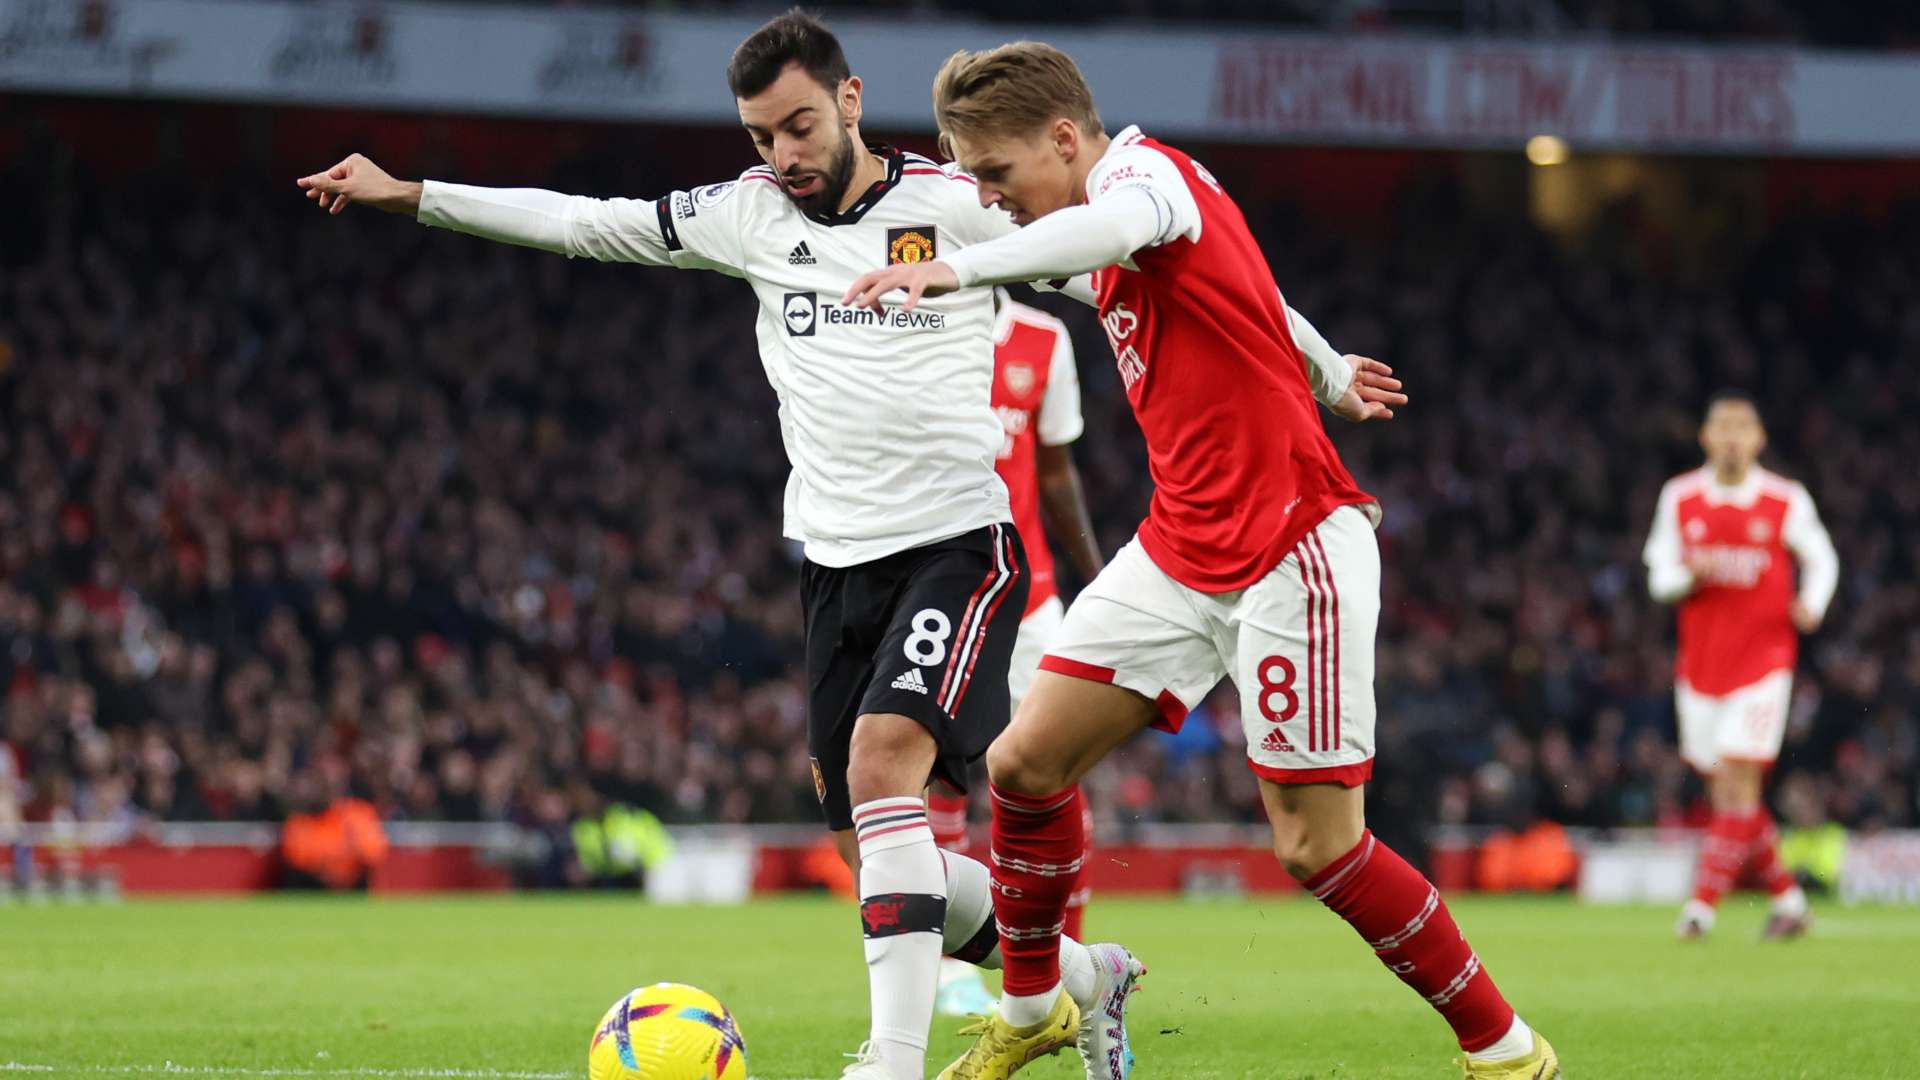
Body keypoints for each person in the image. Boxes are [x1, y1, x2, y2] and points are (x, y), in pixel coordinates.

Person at [292, 13, 1221, 1079]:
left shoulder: (962, 207)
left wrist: (1316, 369)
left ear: (852, 101)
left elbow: (1159, 271)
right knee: (867, 847)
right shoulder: (745, 215)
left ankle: (893, 1057)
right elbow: (585, 223)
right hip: (833, 568)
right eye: (760, 134)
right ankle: (1079, 981)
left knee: (886, 775)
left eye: (799, 125)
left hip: (959, 548)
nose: (783, 154)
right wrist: (415, 195)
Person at [844, 41, 1556, 1080]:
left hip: (1292, 544)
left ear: (1062, 137)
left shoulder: (1145, 181)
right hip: (1180, 550)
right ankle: (1038, 1004)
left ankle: (1506, 1050)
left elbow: (1114, 224)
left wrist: (954, 269)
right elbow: (1252, 290)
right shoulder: (1095, 228)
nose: (996, 198)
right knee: (1024, 766)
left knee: (1318, 848)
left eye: (1001, 173)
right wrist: (1322, 369)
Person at [930, 289, 1103, 1017]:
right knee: (939, 768)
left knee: (1052, 770)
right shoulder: (919, 327)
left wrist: (1099, 580)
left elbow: (1056, 471)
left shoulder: (1044, 339)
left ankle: (1070, 960)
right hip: (937, 592)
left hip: (1030, 600)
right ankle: (945, 966)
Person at [1644, 391, 1837, 940]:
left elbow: (1822, 556)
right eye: (1722, 427)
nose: (1732, 437)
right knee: (1729, 795)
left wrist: (1813, 603)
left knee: (1737, 777)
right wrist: (1691, 575)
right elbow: (1659, 577)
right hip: (1701, 670)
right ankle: (1791, 902)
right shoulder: (1680, 496)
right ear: (1705, 437)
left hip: (1764, 664)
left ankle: (1700, 909)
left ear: (1759, 439)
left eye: (1743, 427)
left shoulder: (1784, 499)